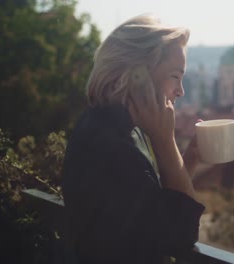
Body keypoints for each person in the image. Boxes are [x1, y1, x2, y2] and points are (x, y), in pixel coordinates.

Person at [62, 14, 205, 264]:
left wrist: (188, 160)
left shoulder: (107, 125)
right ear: (139, 74)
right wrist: (166, 143)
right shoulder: (111, 147)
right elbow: (180, 236)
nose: (180, 91)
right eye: (175, 76)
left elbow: (151, 205)